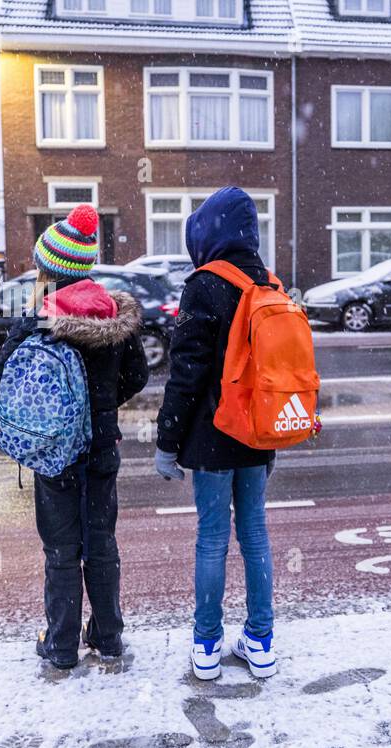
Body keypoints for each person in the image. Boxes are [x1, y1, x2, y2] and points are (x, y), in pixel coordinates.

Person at [0, 204, 150, 669]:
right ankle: (108, 637)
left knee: (61, 549)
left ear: (47, 269)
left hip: (53, 454)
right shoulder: (113, 315)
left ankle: (60, 645)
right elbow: (137, 375)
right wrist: (98, 408)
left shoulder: (37, 319)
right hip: (101, 447)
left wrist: (52, 415)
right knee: (101, 544)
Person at [154, 186, 277, 682]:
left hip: (211, 435)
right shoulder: (270, 283)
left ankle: (207, 645)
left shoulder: (204, 284)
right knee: (254, 534)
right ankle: (261, 640)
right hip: (257, 433)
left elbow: (186, 373)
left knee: (211, 539)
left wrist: (166, 442)